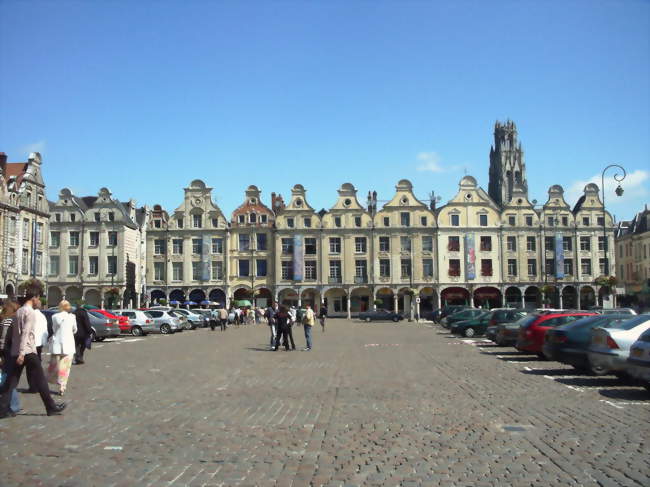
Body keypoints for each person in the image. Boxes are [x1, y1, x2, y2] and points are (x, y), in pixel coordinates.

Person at [0, 292, 65, 418]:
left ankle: (2, 409)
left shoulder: (18, 311)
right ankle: (51, 407)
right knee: (40, 379)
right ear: (33, 298)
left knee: (12, 381)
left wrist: (18, 351)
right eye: (38, 298)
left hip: (17, 350)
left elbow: (16, 334)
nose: (39, 300)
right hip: (27, 350)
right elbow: (25, 333)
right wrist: (22, 352)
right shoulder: (30, 312)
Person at [47, 300, 77, 396]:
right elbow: (75, 329)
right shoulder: (72, 317)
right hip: (68, 344)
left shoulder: (54, 317)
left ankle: (54, 380)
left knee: (55, 365)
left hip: (57, 344)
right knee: (65, 367)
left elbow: (54, 329)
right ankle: (62, 386)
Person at [0, 301, 21, 415]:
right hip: (10, 353)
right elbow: (3, 339)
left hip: (8, 353)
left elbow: (3, 339)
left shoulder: (7, 321)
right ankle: (12, 405)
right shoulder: (11, 321)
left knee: (8, 380)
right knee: (9, 380)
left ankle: (13, 404)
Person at [26, 299, 49, 393]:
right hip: (39, 344)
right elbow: (45, 331)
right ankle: (37, 385)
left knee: (30, 366)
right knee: (37, 365)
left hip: (30, 344)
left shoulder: (30, 315)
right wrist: (44, 342)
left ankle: (33, 386)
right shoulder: (42, 316)